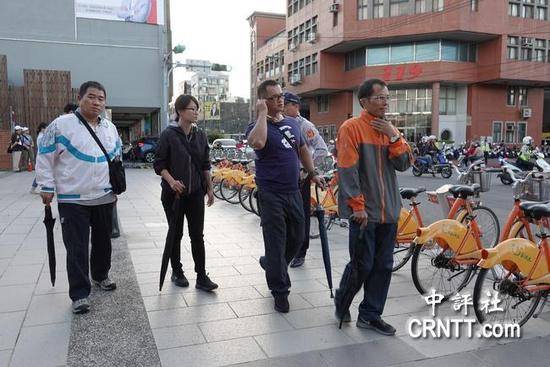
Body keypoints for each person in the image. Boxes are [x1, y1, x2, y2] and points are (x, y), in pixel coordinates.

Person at [36, 81, 122, 314]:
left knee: (104, 242)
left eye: (101, 98)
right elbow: (44, 156)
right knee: (77, 247)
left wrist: (115, 188)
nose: (96, 102)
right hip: (73, 198)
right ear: (80, 98)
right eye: (91, 97)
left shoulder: (110, 128)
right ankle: (80, 294)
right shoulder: (61, 125)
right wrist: (46, 186)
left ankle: (101, 276)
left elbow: (116, 158)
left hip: (104, 195)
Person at [334, 78, 411, 335]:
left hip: (388, 211)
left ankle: (370, 314)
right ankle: (342, 301)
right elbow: (347, 170)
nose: (385, 102)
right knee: (362, 264)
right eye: (379, 98)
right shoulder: (352, 128)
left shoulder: (388, 129)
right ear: (363, 101)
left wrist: (394, 135)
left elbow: (404, 163)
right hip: (364, 213)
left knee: (383, 266)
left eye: (387, 97)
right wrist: (357, 206)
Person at [246, 79, 324, 313]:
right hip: (270, 193)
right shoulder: (256, 126)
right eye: (274, 97)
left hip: (293, 190)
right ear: (263, 101)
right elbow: (258, 142)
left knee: (298, 238)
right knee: (276, 242)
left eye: (281, 95)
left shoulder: (293, 124)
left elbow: (302, 150)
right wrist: (261, 114)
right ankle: (280, 290)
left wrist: (313, 173)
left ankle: (272, 264)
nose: (280, 99)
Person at [153, 94, 218, 292]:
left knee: (197, 234)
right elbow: (159, 164)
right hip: (174, 195)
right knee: (176, 234)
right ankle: (177, 271)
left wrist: (209, 188)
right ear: (180, 111)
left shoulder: (200, 135)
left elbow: (205, 164)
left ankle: (201, 276)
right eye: (192, 109)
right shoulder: (168, 135)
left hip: (196, 193)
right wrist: (172, 182)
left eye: (197, 109)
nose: (196, 112)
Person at [282, 92, 328, 268]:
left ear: (296, 106)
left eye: (287, 104)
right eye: (282, 104)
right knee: (285, 216)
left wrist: (308, 169)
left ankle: (301, 252)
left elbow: (321, 149)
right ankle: (286, 250)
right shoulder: (279, 123)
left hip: (301, 177)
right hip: (284, 177)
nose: (283, 107)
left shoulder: (305, 125)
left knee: (301, 215)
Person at [30, 123, 48, 194]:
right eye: (46, 128)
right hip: (42, 157)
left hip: (43, 157)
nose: (47, 130)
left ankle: (34, 188)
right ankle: (34, 189)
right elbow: (43, 148)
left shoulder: (42, 136)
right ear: (42, 128)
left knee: (41, 174)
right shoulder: (41, 137)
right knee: (41, 174)